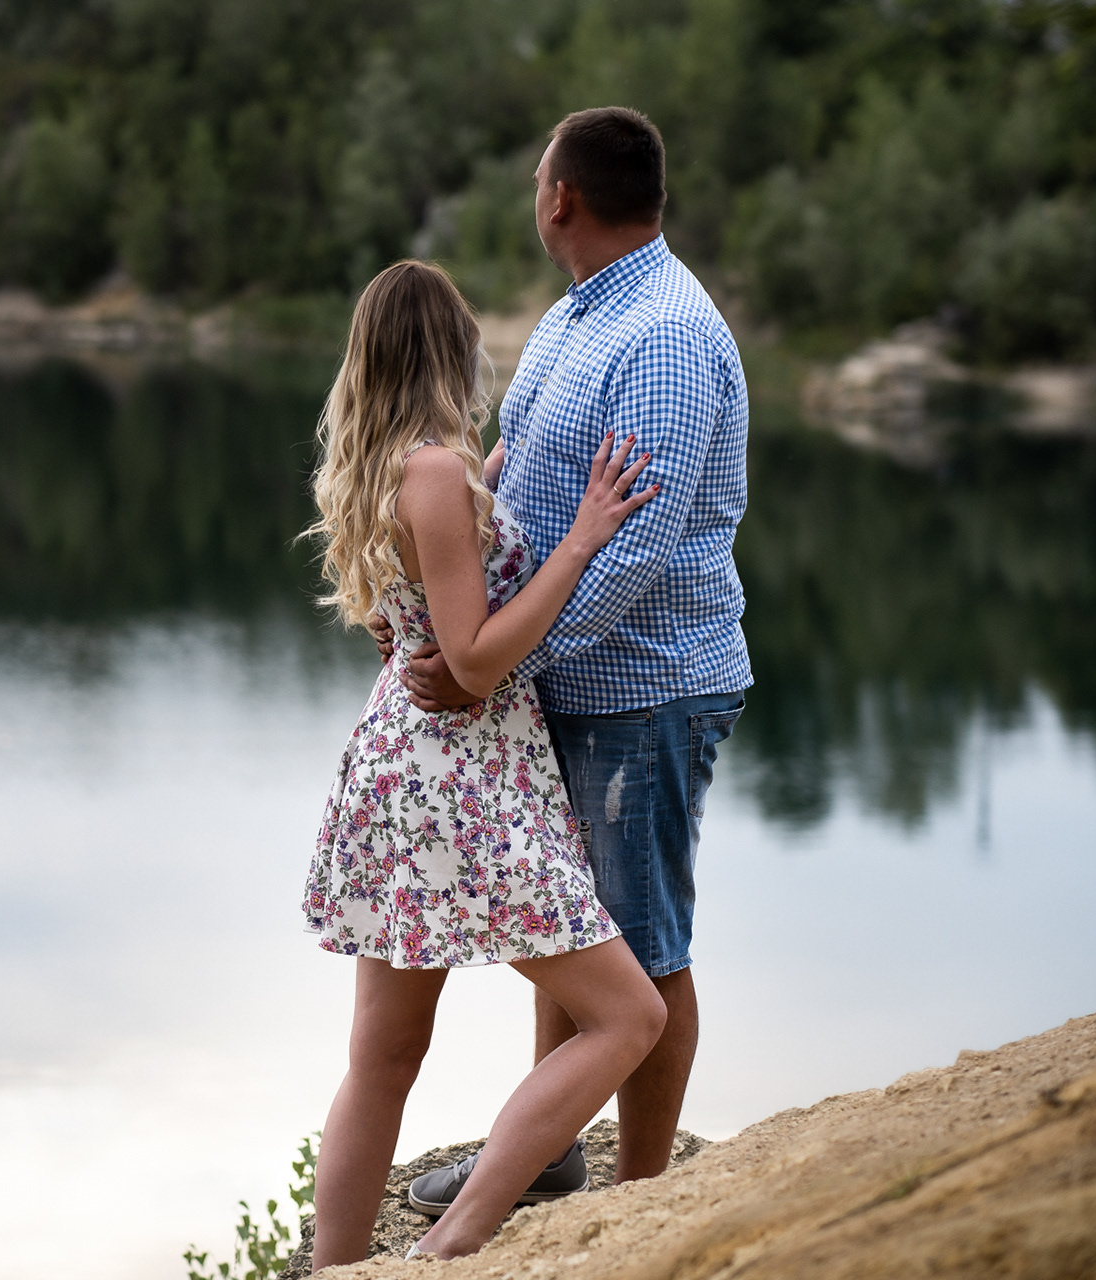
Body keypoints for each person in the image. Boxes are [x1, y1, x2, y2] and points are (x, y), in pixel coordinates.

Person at [381, 106, 751, 1212]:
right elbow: (513, 464)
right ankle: (549, 1152)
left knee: (644, 945)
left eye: (535, 181)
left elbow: (634, 548)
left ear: (562, 198)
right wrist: (432, 596)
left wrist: (490, 663)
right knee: (567, 922)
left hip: (647, 686)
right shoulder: (578, 315)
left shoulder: (665, 336)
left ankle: (639, 1199)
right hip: (560, 679)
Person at [300, 259, 669, 1267]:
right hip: (455, 784)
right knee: (627, 1014)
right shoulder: (431, 474)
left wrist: (512, 458)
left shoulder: (386, 467)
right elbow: (471, 659)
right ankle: (453, 1242)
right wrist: (582, 539)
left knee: (381, 1057)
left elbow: (415, 600)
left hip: (399, 766)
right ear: (447, 351)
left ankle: (338, 1268)